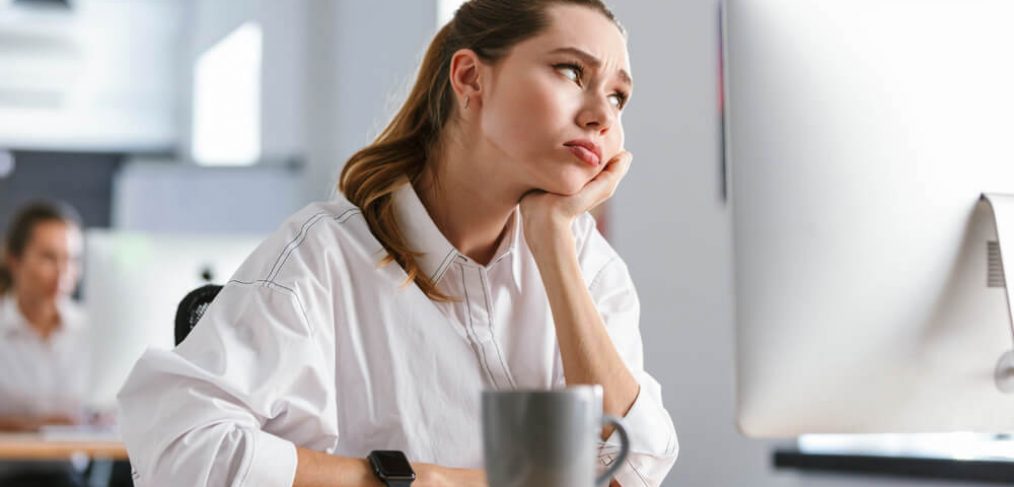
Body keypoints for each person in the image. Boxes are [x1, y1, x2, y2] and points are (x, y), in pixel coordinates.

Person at [118, 1, 679, 485]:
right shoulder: (322, 259)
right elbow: (177, 451)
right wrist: (418, 478)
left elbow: (636, 470)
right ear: (470, 79)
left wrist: (554, 247)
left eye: (620, 96)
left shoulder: (586, 264)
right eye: (571, 72)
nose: (602, 115)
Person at [0, 201, 88, 486]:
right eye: (49, 258)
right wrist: (44, 426)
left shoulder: (91, 331)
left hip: (68, 476)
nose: (63, 271)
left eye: (72, 259)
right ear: (15, 260)